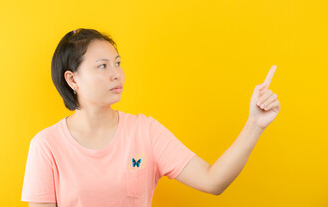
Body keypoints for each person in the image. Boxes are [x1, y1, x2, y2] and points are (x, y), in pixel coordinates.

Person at [21, 28, 281, 207]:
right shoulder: (46, 145)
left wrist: (254, 124)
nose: (116, 74)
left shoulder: (146, 131)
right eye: (103, 65)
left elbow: (213, 181)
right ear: (72, 79)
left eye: (118, 63)